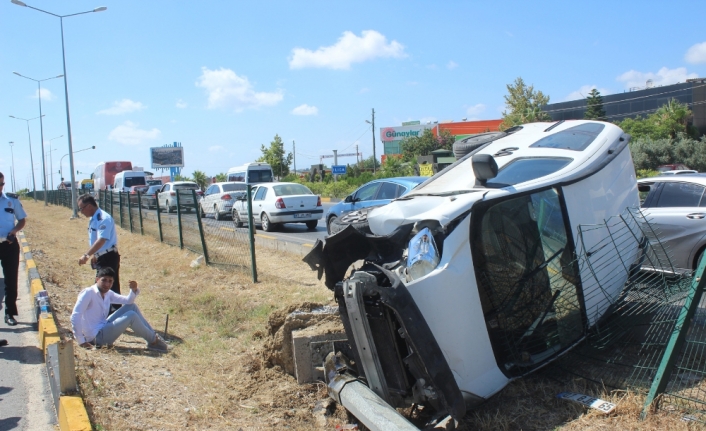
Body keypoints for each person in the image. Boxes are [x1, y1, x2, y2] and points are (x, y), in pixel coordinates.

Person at [70, 267, 168, 352]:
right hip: (96, 337)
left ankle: (155, 338)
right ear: (97, 279)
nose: (107, 284)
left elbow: (128, 301)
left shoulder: (108, 293)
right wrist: (81, 341)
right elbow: (75, 315)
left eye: (110, 281)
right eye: (104, 280)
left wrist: (133, 290)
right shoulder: (88, 293)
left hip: (103, 326)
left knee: (132, 307)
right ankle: (154, 341)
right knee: (131, 316)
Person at [77, 195, 121, 297]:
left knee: (107, 289)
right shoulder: (94, 218)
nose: (81, 212)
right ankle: (107, 311)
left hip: (108, 257)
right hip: (102, 256)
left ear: (89, 206)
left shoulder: (103, 218)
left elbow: (101, 240)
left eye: (81, 208)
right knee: (104, 289)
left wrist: (86, 255)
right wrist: (95, 255)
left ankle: (114, 312)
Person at [0, 173, 27, 326]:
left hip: (9, 244)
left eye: (1, 184)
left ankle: (10, 313)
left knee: (11, 279)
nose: (0, 187)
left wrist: (14, 231)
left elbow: (22, 219)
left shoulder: (11, 201)